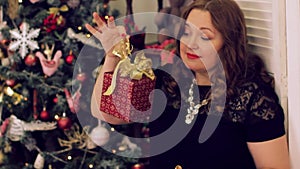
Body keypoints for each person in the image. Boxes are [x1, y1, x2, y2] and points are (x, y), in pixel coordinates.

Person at [86, 0, 291, 168]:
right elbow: (104, 112)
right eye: (186, 32)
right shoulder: (165, 81)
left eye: (204, 36)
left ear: (228, 43)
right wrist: (112, 56)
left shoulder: (252, 98)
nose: (190, 43)